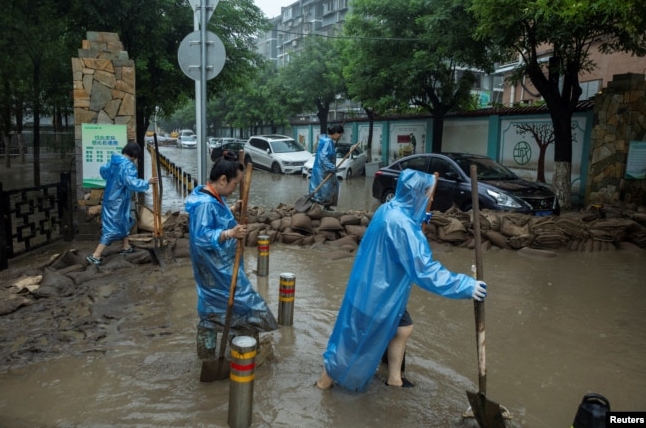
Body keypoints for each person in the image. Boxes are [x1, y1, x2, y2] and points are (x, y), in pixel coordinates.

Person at [316, 169, 487, 392]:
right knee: (351, 341)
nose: (428, 197)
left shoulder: (388, 209)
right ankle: (323, 384)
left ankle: (394, 378)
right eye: (426, 193)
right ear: (417, 194)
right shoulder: (403, 225)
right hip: (378, 294)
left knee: (403, 327)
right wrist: (466, 286)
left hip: (374, 287)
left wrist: (417, 219)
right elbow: (424, 270)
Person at [185, 151, 278, 345]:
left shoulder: (212, 195)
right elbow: (201, 237)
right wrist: (230, 234)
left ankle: (229, 347)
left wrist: (232, 209)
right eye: (235, 184)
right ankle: (239, 349)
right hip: (215, 268)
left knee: (221, 307)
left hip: (221, 264)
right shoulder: (205, 204)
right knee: (244, 305)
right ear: (222, 179)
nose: (236, 188)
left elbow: (217, 219)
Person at [86, 141, 158, 266]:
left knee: (125, 220)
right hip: (118, 200)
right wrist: (147, 182)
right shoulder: (127, 165)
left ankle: (126, 246)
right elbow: (131, 182)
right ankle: (96, 255)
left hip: (112, 197)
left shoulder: (114, 161)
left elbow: (103, 171)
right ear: (135, 155)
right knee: (112, 227)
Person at [308, 124, 344, 211]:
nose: (340, 137)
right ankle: (322, 206)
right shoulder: (328, 142)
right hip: (324, 170)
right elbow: (323, 157)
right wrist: (331, 167)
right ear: (335, 133)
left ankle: (319, 206)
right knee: (329, 188)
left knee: (320, 188)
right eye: (340, 134)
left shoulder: (324, 140)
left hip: (320, 169)